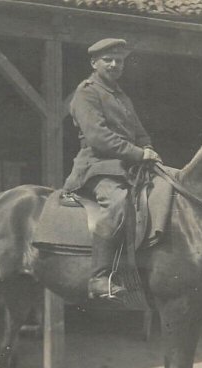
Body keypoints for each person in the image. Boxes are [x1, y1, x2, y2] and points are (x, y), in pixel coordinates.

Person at [62, 38, 162, 300]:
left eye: (120, 60)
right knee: (117, 203)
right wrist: (140, 153)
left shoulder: (120, 95)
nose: (115, 64)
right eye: (109, 59)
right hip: (97, 168)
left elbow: (140, 133)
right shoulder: (86, 92)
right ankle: (99, 277)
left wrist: (149, 150)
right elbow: (99, 138)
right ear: (94, 63)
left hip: (128, 167)